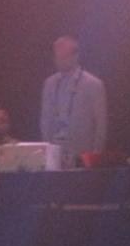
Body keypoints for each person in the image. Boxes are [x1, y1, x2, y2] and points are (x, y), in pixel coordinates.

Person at [39, 35, 107, 168]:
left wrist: (95, 156)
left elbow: (101, 123)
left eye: (63, 57)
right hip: (55, 154)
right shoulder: (49, 83)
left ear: (75, 56)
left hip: (83, 155)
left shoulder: (93, 84)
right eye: (56, 57)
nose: (59, 61)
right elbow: (44, 119)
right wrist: (47, 150)